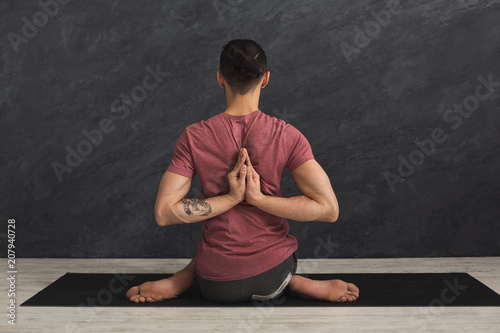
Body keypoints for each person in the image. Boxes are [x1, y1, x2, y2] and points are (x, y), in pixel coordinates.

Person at [126, 39, 359, 303]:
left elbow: (164, 213)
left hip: (215, 282)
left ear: (220, 79)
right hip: (273, 272)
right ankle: (292, 281)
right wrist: (258, 199)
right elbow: (329, 209)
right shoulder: (287, 135)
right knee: (272, 261)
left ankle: (184, 277)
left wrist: (229, 198)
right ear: (265, 79)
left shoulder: (194, 136)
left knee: (211, 246)